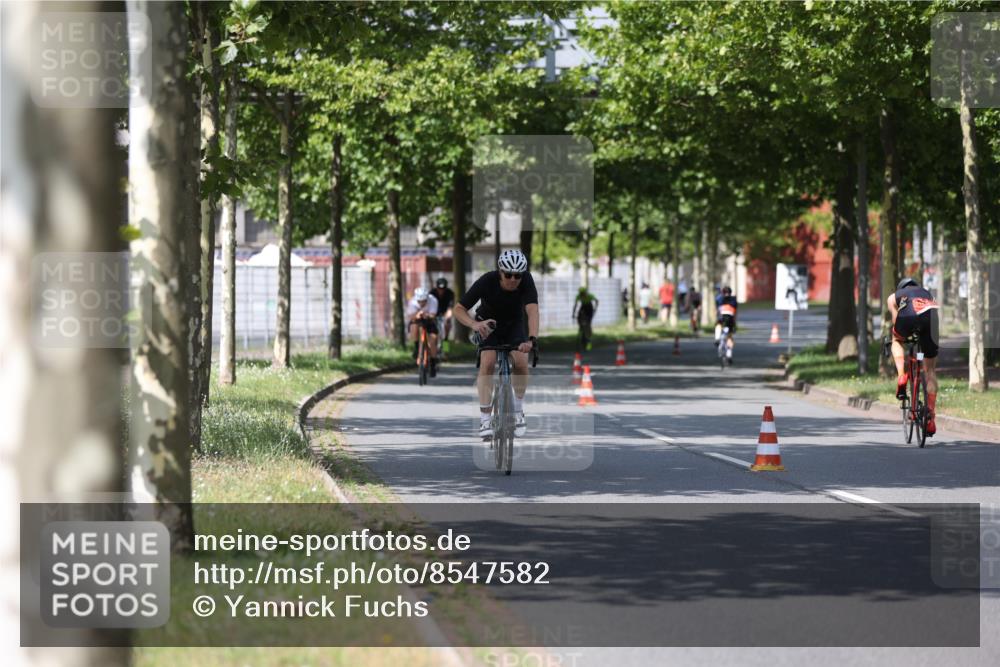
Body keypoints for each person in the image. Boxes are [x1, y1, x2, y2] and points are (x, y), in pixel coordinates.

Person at [453, 249, 539, 439]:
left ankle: (517, 411)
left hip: (513, 325)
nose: (513, 279)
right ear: (500, 272)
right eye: (508, 275)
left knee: (521, 361)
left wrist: (532, 339)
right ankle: (485, 419)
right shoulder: (487, 280)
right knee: (488, 361)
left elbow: (532, 311)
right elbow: (458, 309)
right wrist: (474, 324)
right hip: (488, 324)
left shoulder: (526, 280)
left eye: (517, 275)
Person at [888, 277, 940, 436]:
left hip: (907, 315)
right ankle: (930, 416)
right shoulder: (928, 294)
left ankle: (902, 376)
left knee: (896, 339)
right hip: (930, 318)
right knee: (930, 370)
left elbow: (896, 320)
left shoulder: (894, 296)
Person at [406, 287, 440, 376]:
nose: (421, 303)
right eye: (419, 301)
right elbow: (410, 316)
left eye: (424, 301)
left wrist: (426, 315)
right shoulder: (412, 302)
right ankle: (417, 347)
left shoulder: (433, 300)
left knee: (433, 340)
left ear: (427, 298)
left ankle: (433, 363)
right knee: (414, 326)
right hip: (417, 320)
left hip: (429, 321)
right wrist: (417, 315)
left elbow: (433, 315)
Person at [715, 286, 738, 362]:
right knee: (730, 336)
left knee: (718, 325)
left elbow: (717, 310)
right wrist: (734, 323)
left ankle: (717, 338)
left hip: (722, 316)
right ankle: (729, 355)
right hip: (730, 317)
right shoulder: (734, 300)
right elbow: (735, 313)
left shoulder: (719, 298)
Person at [573, 286, 599, 352]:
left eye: (583, 293)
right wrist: (573, 313)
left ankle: (588, 339)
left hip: (589, 308)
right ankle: (581, 326)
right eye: (581, 293)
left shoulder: (589, 296)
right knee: (580, 315)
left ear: (585, 293)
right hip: (583, 307)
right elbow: (575, 305)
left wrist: (595, 309)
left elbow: (596, 301)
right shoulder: (578, 296)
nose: (582, 295)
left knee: (588, 322)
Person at [432, 277, 455, 348]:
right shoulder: (432, 293)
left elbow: (450, 308)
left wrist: (447, 317)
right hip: (433, 314)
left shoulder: (450, 293)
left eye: (443, 289)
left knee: (446, 330)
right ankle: (432, 350)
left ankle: (445, 350)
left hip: (445, 314)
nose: (441, 290)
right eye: (439, 288)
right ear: (437, 287)